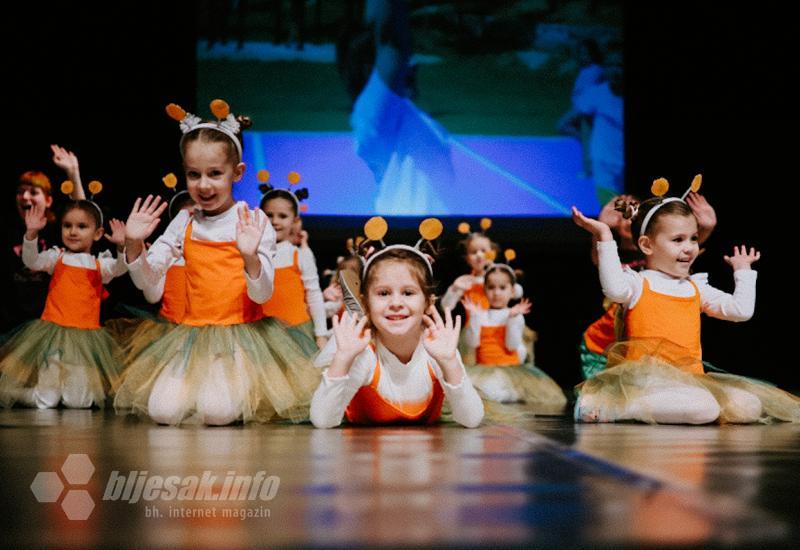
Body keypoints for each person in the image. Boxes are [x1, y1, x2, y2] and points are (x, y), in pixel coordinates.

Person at [114, 100, 319, 426]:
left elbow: (263, 295)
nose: (203, 185)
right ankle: (205, 388)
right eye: (194, 175)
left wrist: (250, 256)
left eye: (214, 174)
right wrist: (134, 245)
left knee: (217, 412)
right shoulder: (184, 221)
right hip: (192, 334)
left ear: (237, 173)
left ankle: (237, 384)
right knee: (162, 412)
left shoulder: (252, 221)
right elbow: (148, 282)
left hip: (239, 337)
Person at [571, 180, 799, 424]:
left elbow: (740, 311)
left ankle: (677, 407)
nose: (690, 248)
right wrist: (604, 235)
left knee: (748, 406)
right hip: (646, 381)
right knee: (705, 409)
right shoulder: (638, 284)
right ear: (647, 245)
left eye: (693, 238)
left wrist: (743, 272)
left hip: (687, 379)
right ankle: (616, 407)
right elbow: (614, 288)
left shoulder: (695, 287)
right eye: (678, 240)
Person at [310, 218, 484, 428]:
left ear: (428, 303)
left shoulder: (436, 349)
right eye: (383, 293)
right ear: (366, 302)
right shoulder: (364, 353)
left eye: (408, 293)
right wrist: (343, 359)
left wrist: (449, 362)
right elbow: (322, 421)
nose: (395, 303)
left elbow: (472, 419)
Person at [0, 198, 127, 409]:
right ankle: (14, 393)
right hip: (54, 334)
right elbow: (32, 261)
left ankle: (59, 393)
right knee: (46, 400)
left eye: (81, 226)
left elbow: (121, 269)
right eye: (67, 226)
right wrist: (31, 234)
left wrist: (122, 246)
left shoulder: (100, 265)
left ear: (97, 233)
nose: (73, 232)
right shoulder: (56, 257)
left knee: (80, 403)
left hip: (84, 338)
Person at [580, 188, 718, 379]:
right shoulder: (612, 256)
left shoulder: (662, 256)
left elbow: (680, 248)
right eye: (623, 215)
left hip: (643, 341)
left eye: (634, 213)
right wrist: (602, 227)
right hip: (603, 344)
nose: (628, 219)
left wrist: (706, 228)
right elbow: (600, 256)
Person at [349, 0, 453, 215]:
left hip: (435, 235)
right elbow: (393, 46)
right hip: (405, 236)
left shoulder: (409, 116)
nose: (413, 65)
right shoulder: (372, 117)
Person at [1, 145, 86, 333]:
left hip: (52, 322)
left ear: (48, 200)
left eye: (33, 192)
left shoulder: (57, 230)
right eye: (20, 191)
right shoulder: (7, 231)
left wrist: (73, 172)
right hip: (12, 326)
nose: (25, 196)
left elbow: (82, 216)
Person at [462, 263, 566, 408]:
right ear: (485, 290)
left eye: (502, 288)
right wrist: (474, 316)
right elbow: (472, 344)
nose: (497, 293)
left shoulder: (514, 315)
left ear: (512, 291)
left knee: (495, 391)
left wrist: (512, 319)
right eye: (491, 287)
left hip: (510, 369)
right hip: (484, 368)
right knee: (473, 390)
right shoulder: (480, 315)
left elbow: (511, 346)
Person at [259, 176, 328, 353]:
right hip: (261, 335)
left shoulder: (300, 255)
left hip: (296, 334)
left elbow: (313, 294)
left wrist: (321, 334)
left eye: (282, 216)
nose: (275, 221)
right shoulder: (253, 253)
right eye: (269, 215)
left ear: (295, 221)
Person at [574, 43, 624, 205]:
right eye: (611, 65)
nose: (616, 70)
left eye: (620, 65)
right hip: (604, 163)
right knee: (609, 209)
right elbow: (585, 124)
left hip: (623, 163)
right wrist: (587, 155)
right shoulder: (596, 94)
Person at [556, 38, 604, 177]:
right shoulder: (585, 70)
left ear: (593, 55)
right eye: (581, 54)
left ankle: (589, 166)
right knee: (583, 135)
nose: (584, 57)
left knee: (562, 126)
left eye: (587, 54)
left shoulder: (596, 70)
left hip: (584, 109)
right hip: (579, 106)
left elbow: (592, 91)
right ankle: (589, 153)